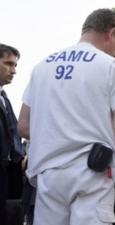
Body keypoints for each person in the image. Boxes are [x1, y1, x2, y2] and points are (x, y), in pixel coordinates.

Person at [17, 8, 115, 225]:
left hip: (49, 173)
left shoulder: (41, 67)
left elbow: (24, 127)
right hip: (92, 172)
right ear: (112, 33)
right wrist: (107, 139)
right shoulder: (112, 66)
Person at [0, 43, 25, 225]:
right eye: (8, 64)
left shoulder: (4, 98)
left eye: (15, 65)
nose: (14, 70)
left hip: (8, 180)